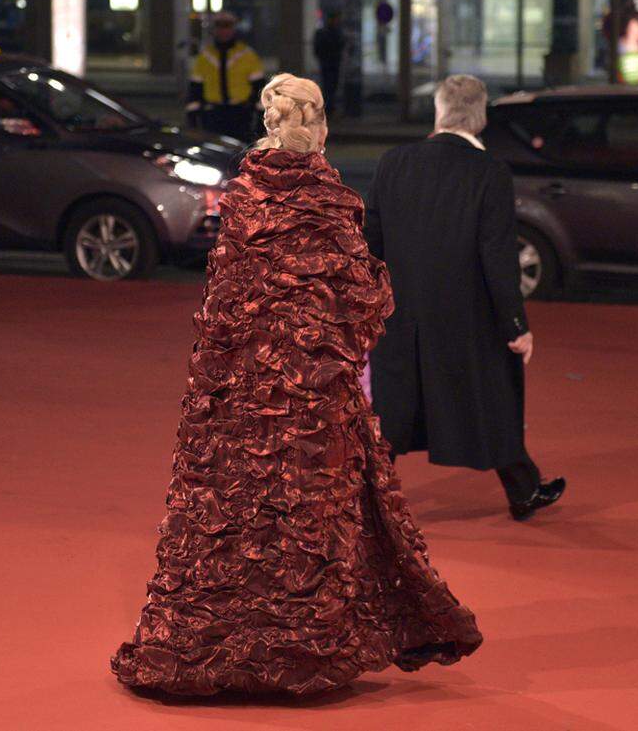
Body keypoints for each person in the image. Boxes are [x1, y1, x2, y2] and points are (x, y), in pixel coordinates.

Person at [112, 74, 482, 696]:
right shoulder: (331, 199)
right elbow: (363, 301)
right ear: (320, 127)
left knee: (232, 513)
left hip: (240, 393)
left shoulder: (243, 194)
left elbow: (221, 303)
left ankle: (220, 649)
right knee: (306, 514)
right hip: (311, 394)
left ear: (268, 123)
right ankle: (304, 653)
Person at [364, 75, 566, 522]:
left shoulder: (394, 162)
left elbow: (370, 243)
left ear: (439, 111)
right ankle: (523, 491)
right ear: (481, 117)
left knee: (393, 412)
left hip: (401, 317)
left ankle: (369, 503)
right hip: (466, 317)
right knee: (493, 398)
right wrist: (515, 325)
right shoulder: (489, 172)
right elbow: (497, 257)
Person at [186, 11, 265, 141]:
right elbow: (195, 89)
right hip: (212, 114)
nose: (223, 31)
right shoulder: (205, 56)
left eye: (227, 27)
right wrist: (192, 117)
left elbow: (259, 88)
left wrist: (260, 118)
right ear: (214, 30)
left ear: (234, 29)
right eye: (219, 27)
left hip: (240, 114)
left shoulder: (247, 55)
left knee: (240, 153)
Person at [312, 11, 346, 117]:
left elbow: (317, 48)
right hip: (331, 62)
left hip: (328, 62)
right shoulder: (333, 32)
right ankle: (328, 109)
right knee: (330, 86)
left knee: (329, 86)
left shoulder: (323, 32)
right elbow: (339, 45)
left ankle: (328, 108)